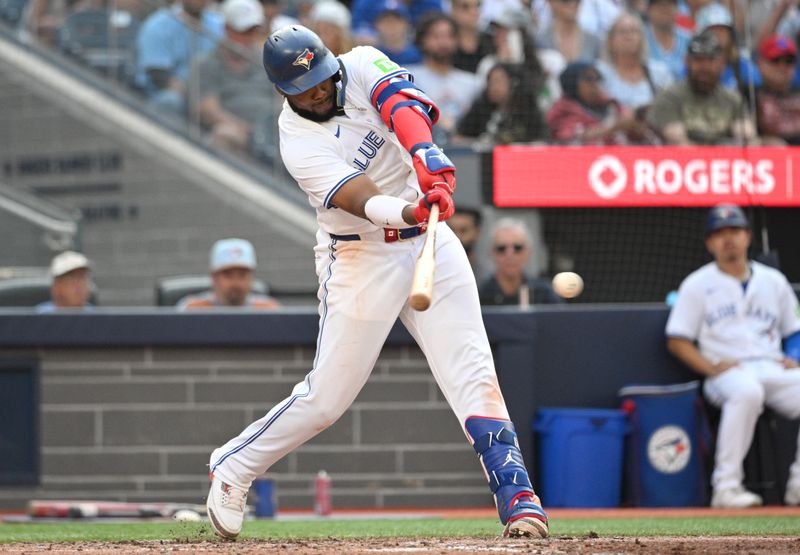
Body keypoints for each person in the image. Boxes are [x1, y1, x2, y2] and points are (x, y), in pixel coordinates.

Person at [205, 25, 549, 540]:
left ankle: (518, 496)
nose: (319, 93)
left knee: (474, 372)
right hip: (361, 254)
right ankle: (232, 467)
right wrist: (414, 204)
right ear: (283, 91)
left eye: (322, 80)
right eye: (305, 90)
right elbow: (360, 199)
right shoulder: (297, 141)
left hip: (429, 236)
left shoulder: (360, 62)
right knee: (327, 399)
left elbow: (402, 105)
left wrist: (426, 156)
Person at [665, 204, 800, 509]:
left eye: (734, 231)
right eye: (720, 233)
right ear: (709, 242)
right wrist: (710, 367)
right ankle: (726, 487)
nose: (728, 239)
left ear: (748, 237)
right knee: (746, 391)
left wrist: (795, 355)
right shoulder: (697, 284)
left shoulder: (773, 280)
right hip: (726, 373)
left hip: (771, 365)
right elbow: (677, 339)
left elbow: (795, 330)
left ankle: (798, 486)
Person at [191, 0, 278, 159]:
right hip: (239, 132)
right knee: (223, 135)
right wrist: (247, 130)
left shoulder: (268, 61)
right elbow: (208, 109)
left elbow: (283, 102)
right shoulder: (207, 63)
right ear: (226, 28)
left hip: (271, 133)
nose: (248, 37)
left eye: (253, 31)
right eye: (243, 31)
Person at [647, 32, 757, 145]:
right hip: (684, 159)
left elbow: (748, 139)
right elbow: (678, 142)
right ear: (687, 62)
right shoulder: (670, 96)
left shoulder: (732, 99)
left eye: (711, 61)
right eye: (699, 60)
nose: (705, 67)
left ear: (721, 64)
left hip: (723, 158)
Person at [135, 0, 224, 114]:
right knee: (170, 100)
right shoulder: (159, 24)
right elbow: (159, 76)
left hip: (209, 94)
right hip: (166, 95)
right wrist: (196, 97)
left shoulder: (218, 25)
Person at [407, 12, 482, 144]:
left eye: (449, 36)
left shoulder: (473, 83)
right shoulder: (408, 77)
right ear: (423, 40)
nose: (444, 42)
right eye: (436, 36)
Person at [547, 61, 656, 144]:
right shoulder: (564, 110)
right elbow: (570, 140)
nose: (595, 84)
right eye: (589, 79)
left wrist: (636, 129)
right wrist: (614, 128)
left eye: (598, 79)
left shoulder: (612, 105)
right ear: (572, 82)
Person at [454, 62, 548, 148]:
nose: (493, 87)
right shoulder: (481, 109)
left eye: (498, 81)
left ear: (514, 83)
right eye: (490, 82)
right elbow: (459, 138)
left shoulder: (529, 112)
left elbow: (540, 142)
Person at [596, 11, 674, 111]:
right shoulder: (600, 73)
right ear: (610, 41)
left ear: (642, 38)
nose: (628, 36)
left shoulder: (659, 72)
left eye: (633, 31)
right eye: (622, 31)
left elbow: (669, 107)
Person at [478, 218, 562, 306]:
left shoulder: (543, 293)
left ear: (528, 252)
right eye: (501, 248)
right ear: (492, 253)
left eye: (517, 248)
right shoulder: (479, 294)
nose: (509, 255)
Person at [177, 238, 280, 309]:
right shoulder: (193, 309)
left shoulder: (268, 311)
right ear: (214, 278)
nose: (236, 283)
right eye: (228, 275)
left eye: (242, 275)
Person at [755, 35, 800, 145]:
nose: (782, 66)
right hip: (769, 157)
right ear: (760, 63)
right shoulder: (750, 95)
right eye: (775, 60)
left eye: (789, 61)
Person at [534, 0, 603, 64]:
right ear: (551, 2)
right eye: (565, 1)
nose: (573, 4)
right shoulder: (539, 40)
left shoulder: (594, 41)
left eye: (577, 1)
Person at [643, 0, 691, 80]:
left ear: (677, 9)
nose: (664, 9)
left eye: (669, 4)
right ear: (648, 10)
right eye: (659, 5)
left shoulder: (688, 40)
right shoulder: (639, 39)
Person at [451, 0, 494, 73]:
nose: (474, 12)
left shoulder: (491, 41)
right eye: (465, 7)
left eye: (477, 6)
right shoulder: (446, 44)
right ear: (453, 10)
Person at [447, 206, 484, 278]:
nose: (457, 237)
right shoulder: (432, 274)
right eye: (452, 230)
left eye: (463, 230)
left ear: (477, 233)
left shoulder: (486, 279)